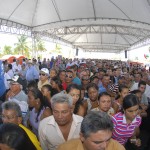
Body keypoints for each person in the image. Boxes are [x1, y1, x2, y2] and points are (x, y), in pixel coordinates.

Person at [57, 111, 125, 150]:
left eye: (108, 140)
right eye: (97, 142)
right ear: (82, 136)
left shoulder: (118, 148)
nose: (104, 146)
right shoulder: (64, 148)